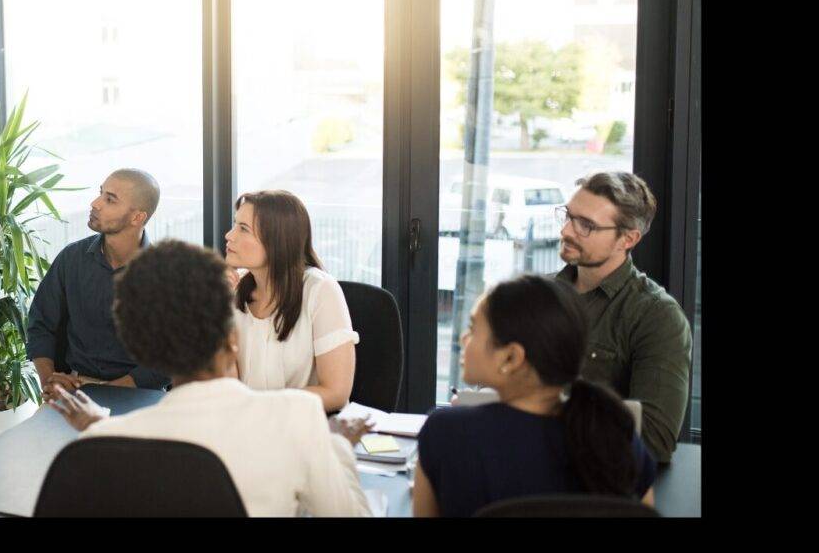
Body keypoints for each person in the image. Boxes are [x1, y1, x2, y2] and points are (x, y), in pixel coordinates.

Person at [48, 240, 374, 517]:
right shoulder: (297, 417)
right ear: (233, 338)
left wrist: (102, 428)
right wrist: (338, 446)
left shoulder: (100, 444)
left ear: (140, 349)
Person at [414, 275, 658, 517]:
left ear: (511, 358)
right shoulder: (616, 434)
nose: (463, 338)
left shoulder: (445, 433)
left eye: (472, 328)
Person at [553, 172, 691, 462]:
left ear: (627, 239)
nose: (566, 231)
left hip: (596, 486)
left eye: (586, 225)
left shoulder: (657, 315)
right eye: (568, 215)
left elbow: (654, 439)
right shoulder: (537, 294)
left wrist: (540, 425)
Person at [26, 169, 170, 393]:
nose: (95, 203)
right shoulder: (71, 259)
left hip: (140, 394)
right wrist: (49, 381)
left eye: (110, 199)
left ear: (137, 217)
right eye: (101, 193)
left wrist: (110, 392)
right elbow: (40, 324)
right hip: (76, 387)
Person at [225, 190, 357, 412]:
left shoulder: (320, 290)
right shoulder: (232, 294)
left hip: (302, 429)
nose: (229, 235)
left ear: (277, 240)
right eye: (234, 224)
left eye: (243, 229)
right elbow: (226, 389)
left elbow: (336, 393)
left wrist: (258, 407)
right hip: (246, 427)